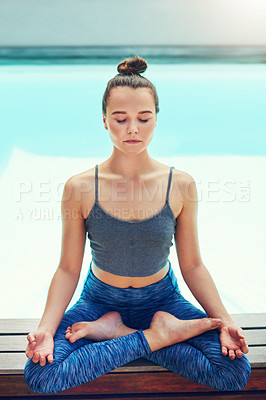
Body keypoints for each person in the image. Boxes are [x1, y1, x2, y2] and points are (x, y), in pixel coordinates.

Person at [24, 56, 251, 394]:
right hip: (99, 302)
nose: (132, 129)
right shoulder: (80, 187)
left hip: (163, 300)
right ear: (104, 122)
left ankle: (119, 333)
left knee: (233, 371)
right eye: (121, 119)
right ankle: (147, 334)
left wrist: (226, 321)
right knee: (43, 374)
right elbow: (68, 268)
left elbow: (192, 264)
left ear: (156, 120)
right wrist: (45, 329)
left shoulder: (181, 184)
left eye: (144, 118)